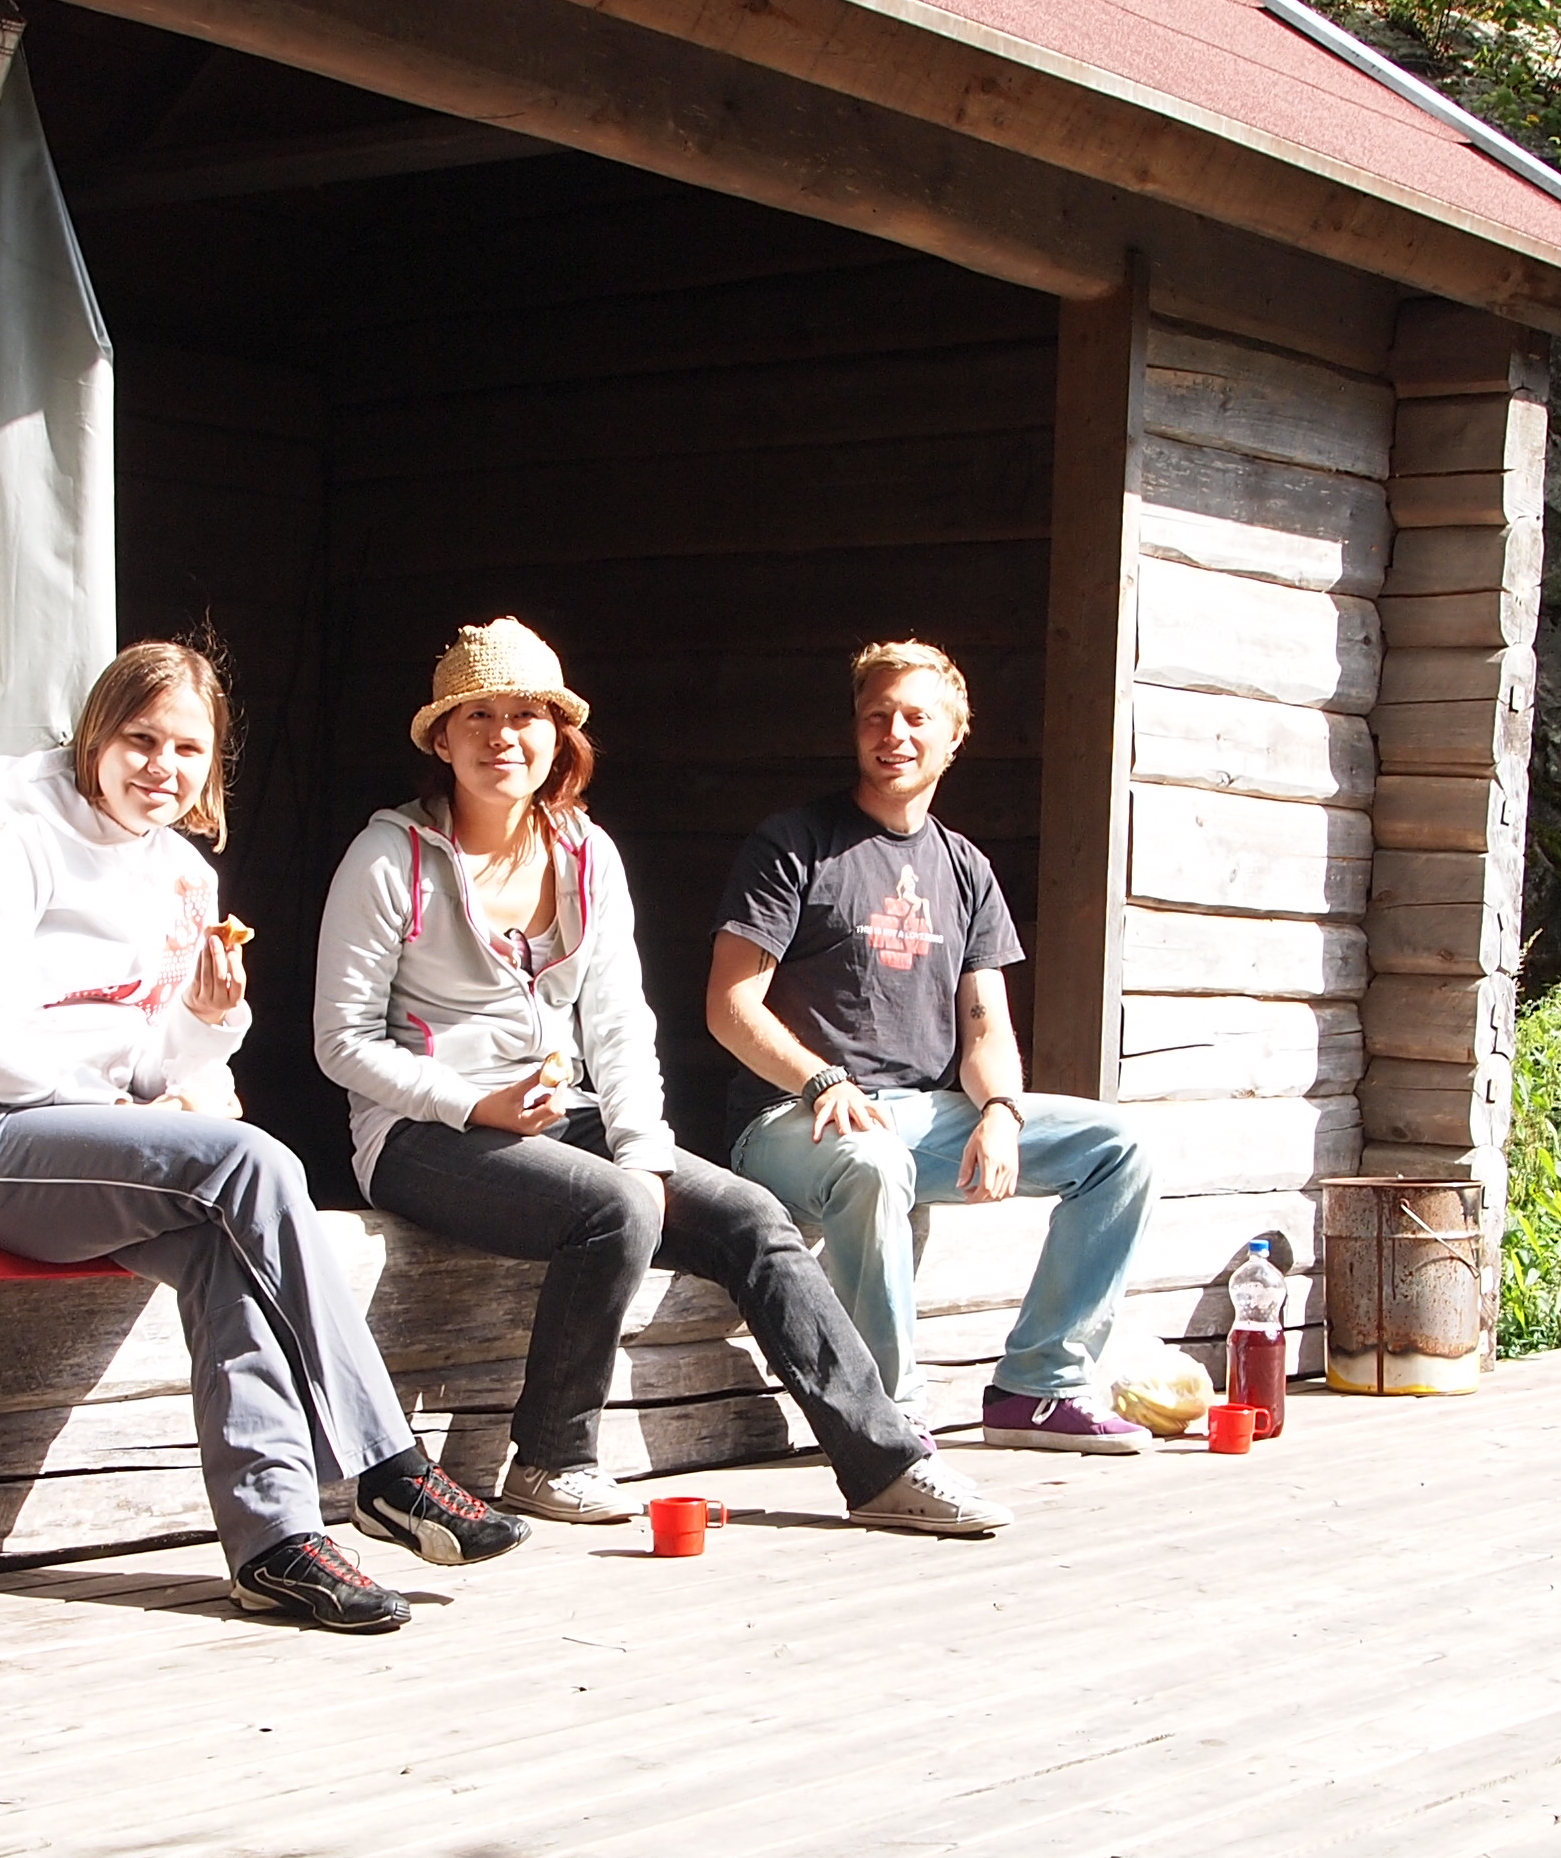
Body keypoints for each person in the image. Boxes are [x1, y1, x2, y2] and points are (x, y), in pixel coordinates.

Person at [314, 620, 1006, 1537]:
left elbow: (620, 1024)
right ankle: (552, 1459)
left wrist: (642, 1152)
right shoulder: (388, 857)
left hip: (558, 1114)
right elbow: (341, 1042)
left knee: (750, 1217)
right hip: (418, 1132)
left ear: (558, 735)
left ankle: (887, 1463)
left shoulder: (584, 854)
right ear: (441, 739)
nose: (502, 736)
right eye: (476, 716)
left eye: (525, 715)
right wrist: (475, 1102)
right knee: (614, 1209)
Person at [0, 637, 523, 1632]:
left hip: (89, 1150)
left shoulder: (183, 873)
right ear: (97, 736)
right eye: (141, 740)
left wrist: (206, 1022)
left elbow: (162, 1069)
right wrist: (120, 1113)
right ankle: (388, 1465)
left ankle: (274, 1544)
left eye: (188, 750)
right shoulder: (4, 831)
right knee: (254, 1161)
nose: (163, 767)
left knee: (224, 1246)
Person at [709, 639, 1157, 1450]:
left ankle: (1039, 1387)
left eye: (918, 718)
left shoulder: (966, 869)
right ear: (855, 727)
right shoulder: (796, 843)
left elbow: (986, 1027)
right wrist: (820, 1080)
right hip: (789, 1119)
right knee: (874, 1164)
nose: (895, 734)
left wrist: (1002, 1111)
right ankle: (887, 1421)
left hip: (917, 1113)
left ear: (955, 735)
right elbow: (729, 1006)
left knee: (1117, 1147)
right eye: (877, 716)